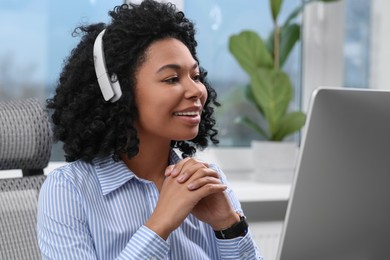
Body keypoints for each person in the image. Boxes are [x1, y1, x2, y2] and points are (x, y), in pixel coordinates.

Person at [37, 0, 263, 259]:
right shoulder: (69, 190)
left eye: (196, 76)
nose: (197, 91)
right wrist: (160, 225)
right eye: (172, 79)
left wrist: (228, 226)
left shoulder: (207, 180)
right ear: (117, 91)